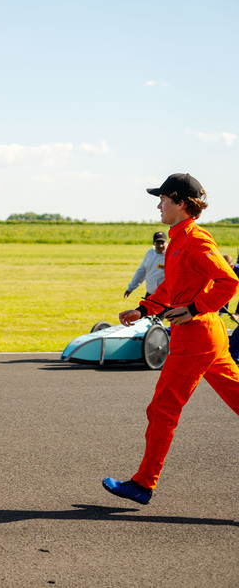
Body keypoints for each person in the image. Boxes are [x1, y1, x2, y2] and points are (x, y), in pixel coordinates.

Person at [103, 173, 239, 504]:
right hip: (207, 337)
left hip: (197, 338)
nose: (158, 205)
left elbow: (229, 281)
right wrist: (144, 308)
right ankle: (143, 483)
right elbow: (171, 287)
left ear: (180, 203)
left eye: (163, 199)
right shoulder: (178, 238)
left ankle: (143, 484)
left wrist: (194, 309)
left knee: (162, 409)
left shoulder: (196, 240)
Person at [123, 232, 167, 298]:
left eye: (162, 243)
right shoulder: (150, 254)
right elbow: (141, 272)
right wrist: (130, 288)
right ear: (153, 243)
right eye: (158, 243)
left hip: (164, 297)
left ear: (166, 243)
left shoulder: (171, 255)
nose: (160, 245)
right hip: (150, 294)